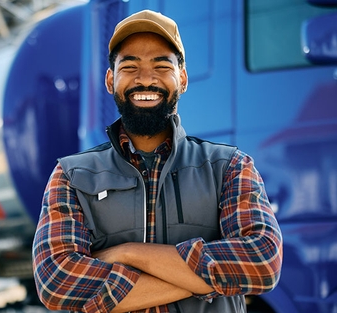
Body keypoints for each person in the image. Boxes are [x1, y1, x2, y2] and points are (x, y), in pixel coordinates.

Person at [32, 9, 283, 313]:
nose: (146, 78)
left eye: (162, 65)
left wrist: (129, 254)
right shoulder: (72, 175)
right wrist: (208, 280)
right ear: (111, 80)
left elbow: (262, 261)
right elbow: (56, 282)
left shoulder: (229, 167)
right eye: (130, 66)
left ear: (183, 78)